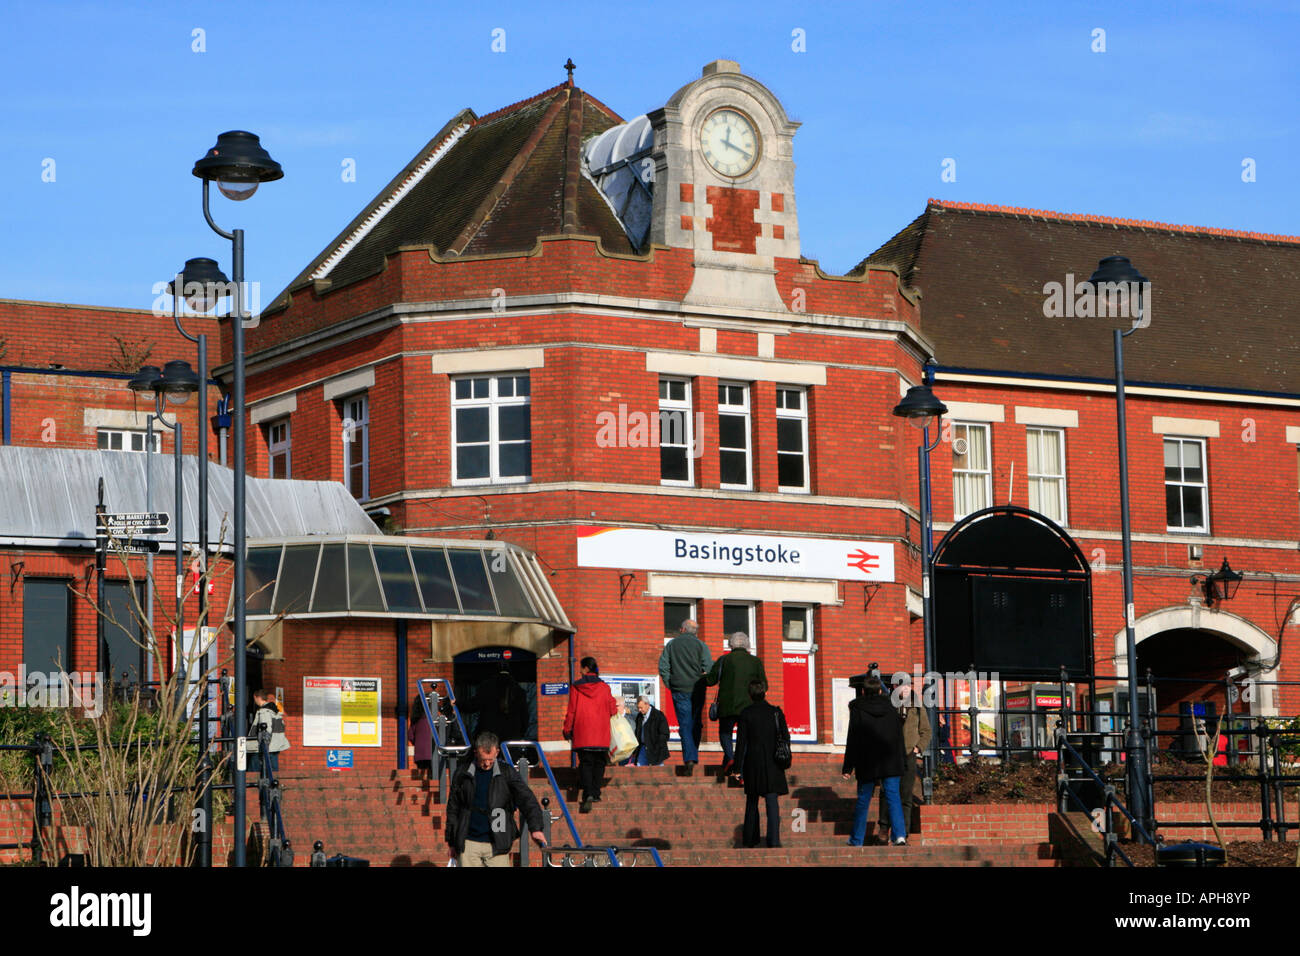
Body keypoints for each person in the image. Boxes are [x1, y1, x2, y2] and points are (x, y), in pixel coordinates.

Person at [444, 730, 547, 867]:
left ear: (497, 752)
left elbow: (527, 799)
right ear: (476, 753)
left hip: (497, 842)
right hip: (468, 842)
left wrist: (536, 828)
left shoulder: (507, 773)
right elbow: (453, 808)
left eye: (490, 760)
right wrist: (451, 842)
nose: (486, 764)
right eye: (483, 760)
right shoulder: (463, 773)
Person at [843, 676, 907, 846]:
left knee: (864, 799)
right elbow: (898, 737)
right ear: (880, 691)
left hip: (867, 760)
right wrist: (903, 761)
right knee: (893, 796)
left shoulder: (858, 709)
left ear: (863, 691)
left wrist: (848, 767)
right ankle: (900, 836)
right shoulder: (891, 708)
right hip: (891, 759)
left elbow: (853, 739)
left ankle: (856, 839)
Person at [730, 679, 789, 849]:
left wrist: (737, 768)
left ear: (750, 695)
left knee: (752, 802)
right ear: (765, 692)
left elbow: (741, 744)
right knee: (772, 801)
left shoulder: (746, 714)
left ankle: (749, 839)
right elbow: (785, 737)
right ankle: (774, 840)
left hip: (753, 763)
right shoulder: (776, 712)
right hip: (773, 762)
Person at [705, 631, 767, 773]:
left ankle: (730, 757)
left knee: (725, 733)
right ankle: (740, 764)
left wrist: (701, 676)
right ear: (747, 645)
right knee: (744, 736)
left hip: (727, 705)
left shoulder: (723, 660)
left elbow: (710, 680)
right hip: (748, 706)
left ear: (730, 645)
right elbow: (765, 685)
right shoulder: (756, 661)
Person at [562, 656, 618, 812]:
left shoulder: (576, 687)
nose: (579, 671)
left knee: (586, 764)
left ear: (586, 668)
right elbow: (613, 710)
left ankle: (587, 795)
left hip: (583, 733)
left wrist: (567, 729)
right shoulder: (605, 688)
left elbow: (571, 711)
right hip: (601, 734)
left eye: (581, 668)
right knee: (599, 763)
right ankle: (596, 792)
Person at [878, 680, 931, 840]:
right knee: (886, 792)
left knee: (906, 794)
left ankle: (903, 833)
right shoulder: (887, 704)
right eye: (903, 686)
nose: (907, 689)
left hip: (909, 754)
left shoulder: (916, 704)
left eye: (909, 685)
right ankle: (883, 829)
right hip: (889, 754)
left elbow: (926, 730)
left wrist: (918, 747)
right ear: (895, 687)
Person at [658, 619, 712, 768]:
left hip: (679, 689)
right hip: (697, 689)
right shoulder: (702, 646)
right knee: (695, 722)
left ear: (682, 630)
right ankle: (692, 754)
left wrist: (670, 683)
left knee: (685, 723)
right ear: (695, 632)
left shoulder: (672, 645)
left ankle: (690, 757)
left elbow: (663, 666)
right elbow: (709, 667)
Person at [460, 665, 529, 743]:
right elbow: (525, 717)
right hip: (512, 737)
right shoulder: (519, 691)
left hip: (489, 736)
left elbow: (472, 706)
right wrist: (521, 733)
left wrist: (457, 704)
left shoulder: (487, 687)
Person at [247, 688, 290, 775]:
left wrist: (264, 744)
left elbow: (266, 730)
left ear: (257, 697)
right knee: (273, 772)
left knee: (252, 773)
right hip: (275, 746)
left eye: (254, 699)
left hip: (264, 747)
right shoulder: (275, 711)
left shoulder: (263, 711)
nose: (254, 701)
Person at [631, 696, 670, 766]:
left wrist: (658, 745)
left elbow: (665, 734)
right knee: (639, 769)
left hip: (656, 748)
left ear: (647, 704)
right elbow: (637, 733)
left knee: (658, 772)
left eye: (641, 707)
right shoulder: (639, 717)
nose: (639, 710)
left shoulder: (658, 715)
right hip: (642, 748)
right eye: (638, 708)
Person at [408, 697, 434, 775]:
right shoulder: (434, 719)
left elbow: (410, 736)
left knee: (421, 775)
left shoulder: (416, 720)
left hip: (419, 753)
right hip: (432, 752)